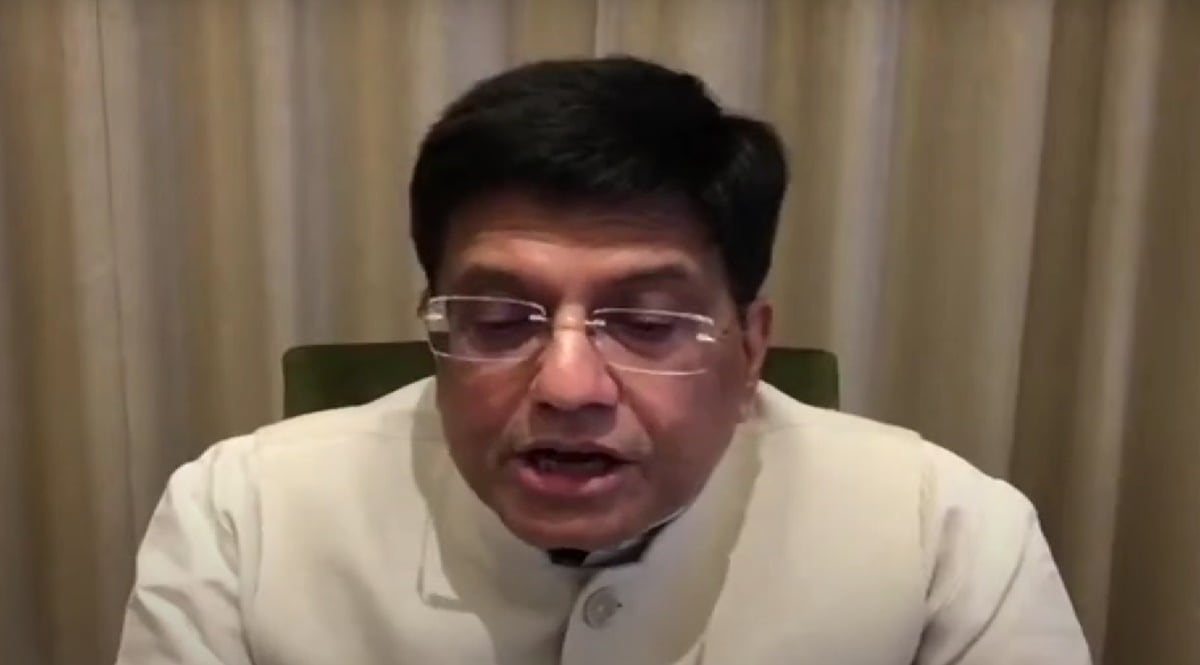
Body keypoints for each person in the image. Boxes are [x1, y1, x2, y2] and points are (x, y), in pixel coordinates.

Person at [115, 56, 1092, 665]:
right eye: (500, 318)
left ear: (750, 347)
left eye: (650, 322)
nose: (568, 386)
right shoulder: (238, 516)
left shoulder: (948, 533)